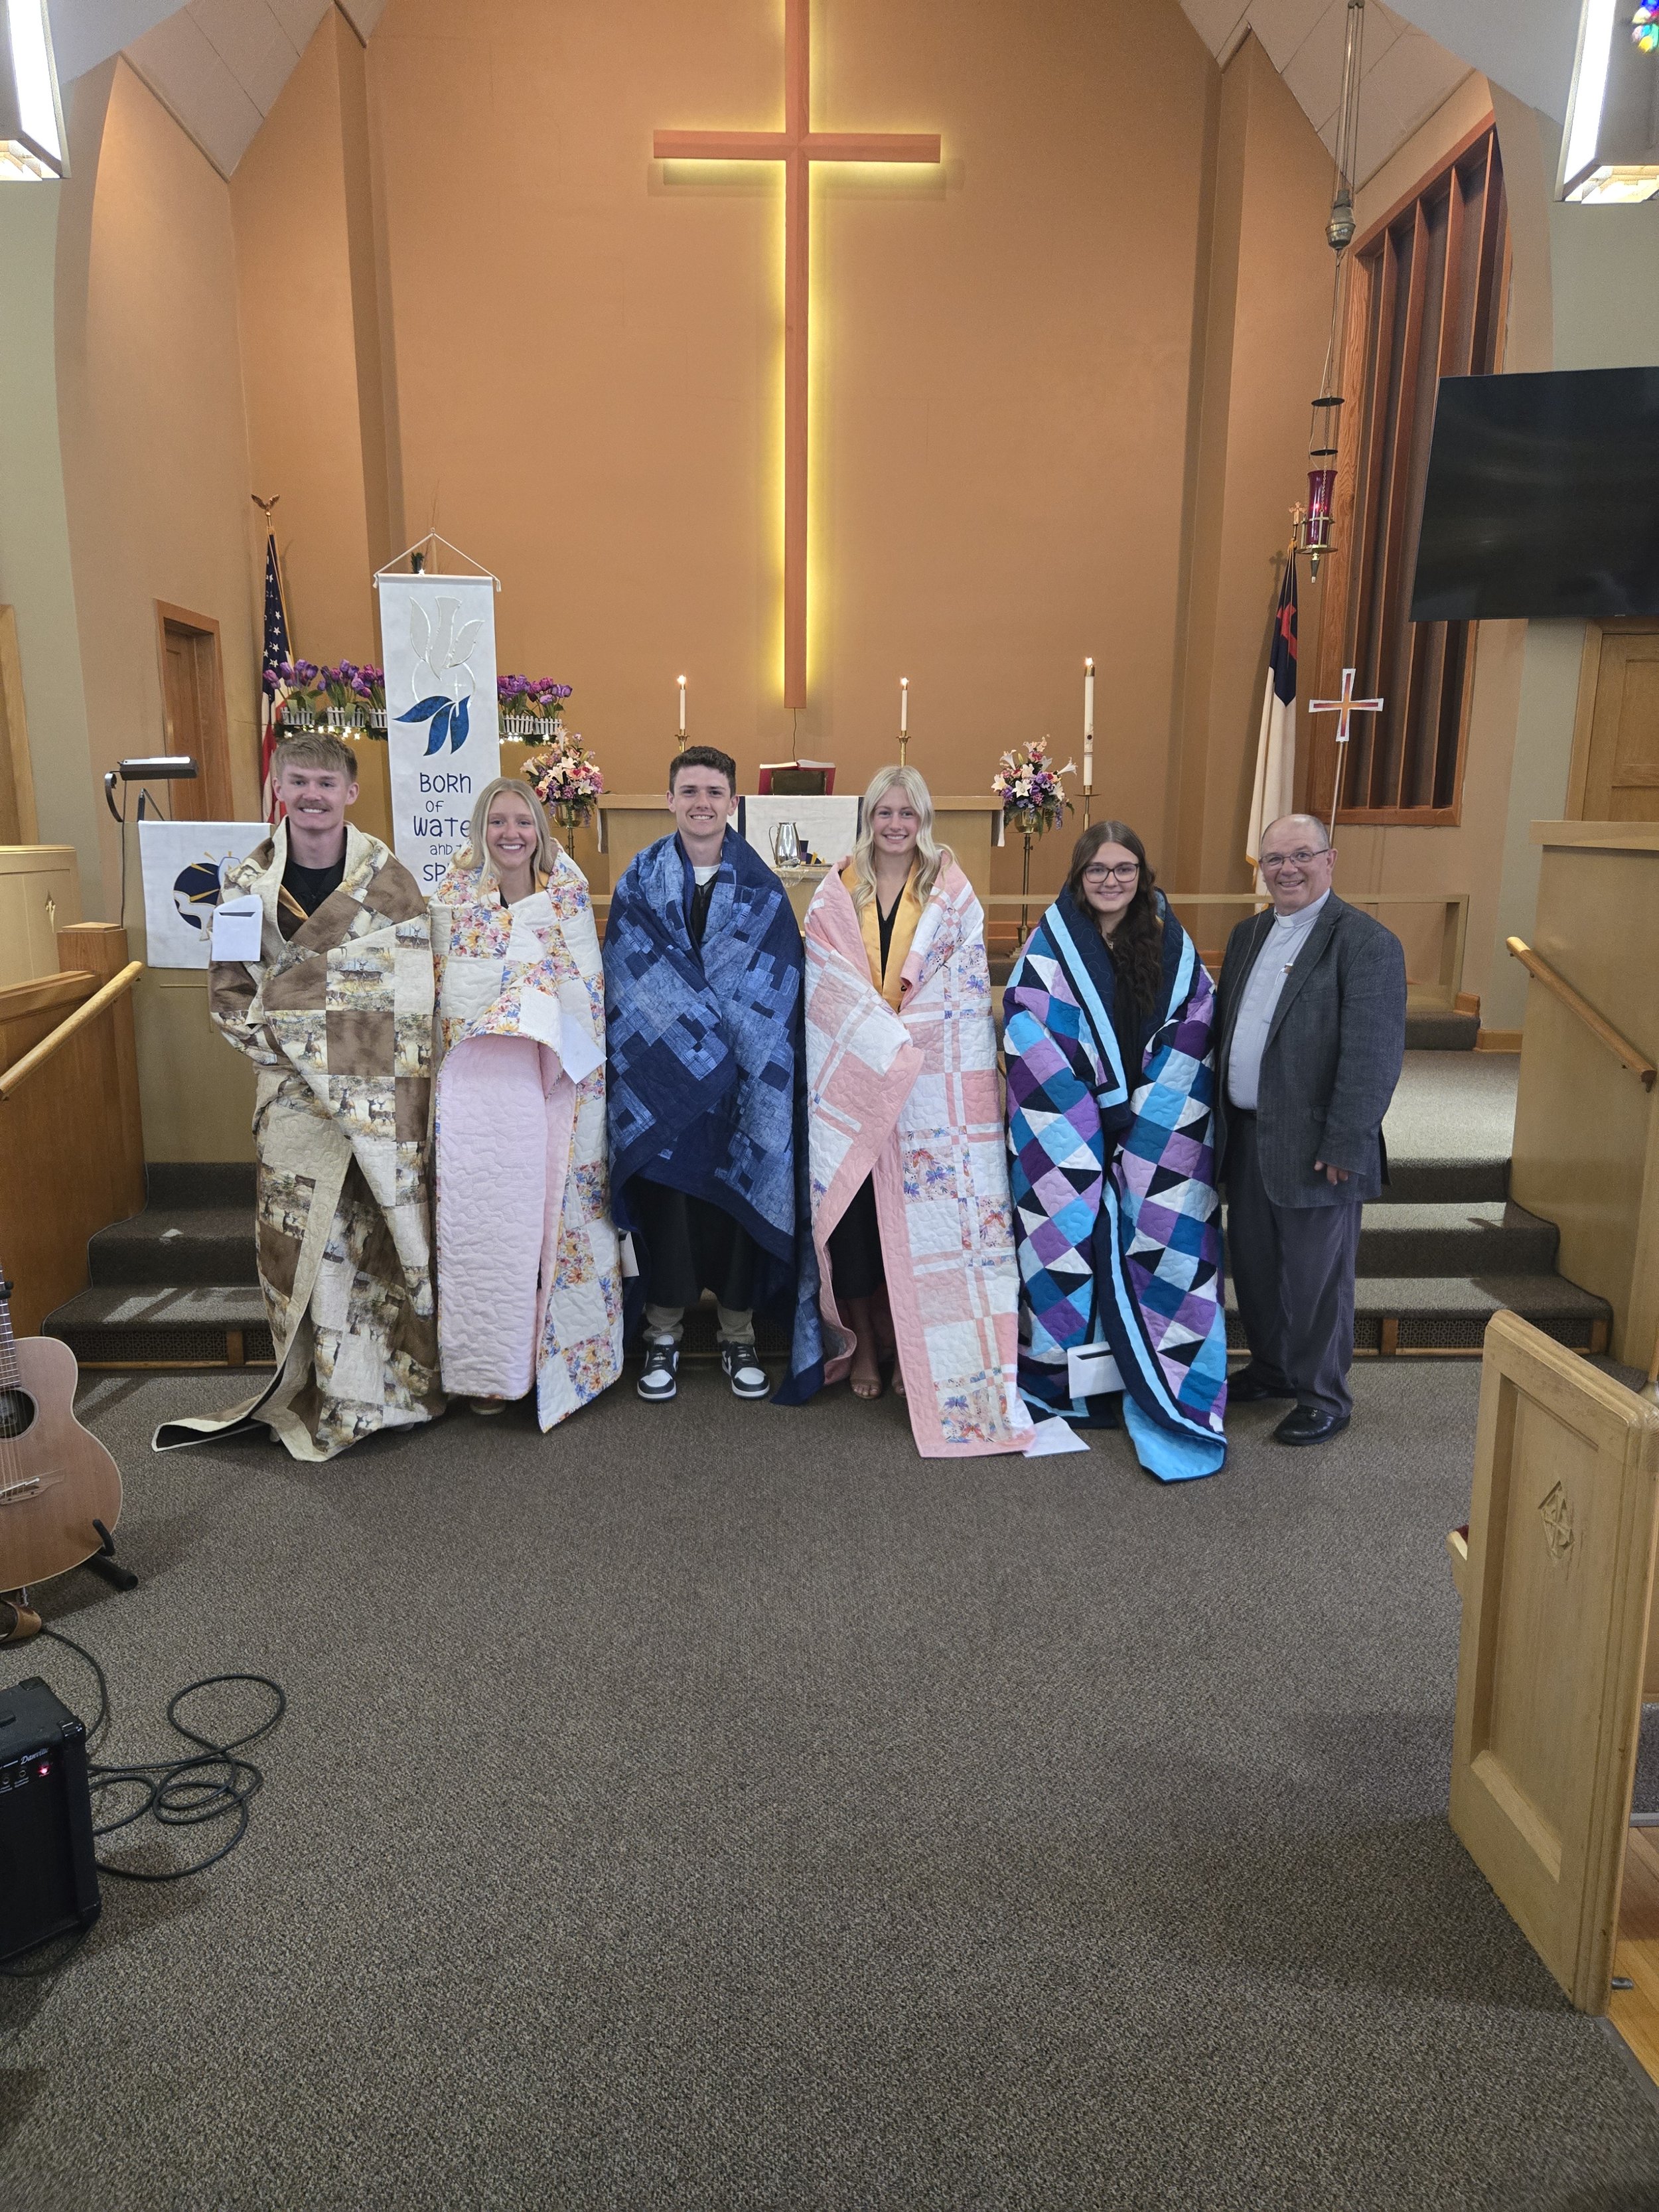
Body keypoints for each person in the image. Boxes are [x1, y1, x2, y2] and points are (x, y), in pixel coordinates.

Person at [155, 732, 443, 1461]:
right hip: (288, 1091)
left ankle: (386, 1392)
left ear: (350, 793)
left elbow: (415, 992)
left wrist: (324, 1036)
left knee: (371, 1238)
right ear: (278, 789)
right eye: (298, 782)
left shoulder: (391, 884)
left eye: (326, 783)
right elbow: (228, 993)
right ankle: (317, 1385)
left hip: (376, 1094)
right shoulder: (245, 885)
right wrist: (292, 1048)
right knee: (295, 1242)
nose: (311, 795)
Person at [803, 766, 1031, 1456]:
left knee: (930, 1221)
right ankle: (867, 1342)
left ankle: (915, 1346)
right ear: (867, 817)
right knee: (857, 1224)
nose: (895, 824)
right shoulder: (835, 890)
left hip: (928, 1081)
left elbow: (961, 989)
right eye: (884, 812)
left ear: (922, 818)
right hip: (854, 1076)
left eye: (907, 812)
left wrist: (904, 1038)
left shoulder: (951, 892)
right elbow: (826, 979)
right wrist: (874, 1039)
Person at [1004, 819, 1228, 1481]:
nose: (1110, 881)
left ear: (1141, 875)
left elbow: (1194, 1028)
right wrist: (1095, 1111)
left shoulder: (1170, 944)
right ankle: (1067, 1378)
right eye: (1097, 870)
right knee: (1062, 1233)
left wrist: (1142, 1115)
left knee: (1167, 1233)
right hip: (1067, 1124)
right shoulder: (1049, 949)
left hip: (1159, 1124)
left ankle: (1164, 1374)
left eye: (1123, 869)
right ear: (1078, 876)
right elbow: (1030, 1030)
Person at [603, 745, 824, 1404]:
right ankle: (664, 1332)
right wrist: (690, 1053)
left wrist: (729, 1056)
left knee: (735, 1200)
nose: (702, 803)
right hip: (659, 1077)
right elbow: (626, 980)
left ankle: (737, 1332)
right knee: (668, 1201)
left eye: (714, 792)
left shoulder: (762, 890)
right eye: (689, 790)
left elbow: (779, 983)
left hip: (747, 1078)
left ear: (733, 802)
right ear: (669, 799)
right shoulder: (638, 882)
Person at [429, 777, 623, 1426]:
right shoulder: (455, 898)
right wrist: (511, 999)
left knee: (561, 1220)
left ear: (540, 830)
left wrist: (535, 1006)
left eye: (522, 823)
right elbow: (448, 992)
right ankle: (492, 1369)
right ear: (480, 829)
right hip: (484, 1091)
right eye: (497, 822)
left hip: (558, 1080)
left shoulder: (564, 896)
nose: (510, 834)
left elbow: (583, 992)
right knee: (491, 1226)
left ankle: (556, 1360)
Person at [1215, 812, 1406, 1446]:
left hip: (1318, 1143)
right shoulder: (1247, 936)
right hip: (1246, 1134)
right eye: (1274, 859)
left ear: (1330, 858)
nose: (1287, 869)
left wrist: (1347, 1140)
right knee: (1257, 1264)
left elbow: (1373, 1055)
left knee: (1317, 1276)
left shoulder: (1366, 942)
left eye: (1301, 855)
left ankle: (1324, 1394)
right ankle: (1271, 1368)